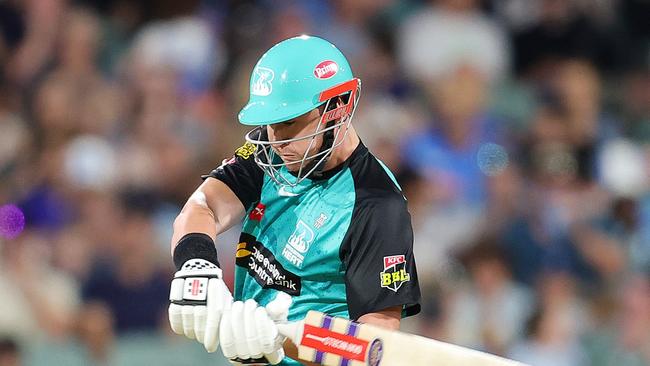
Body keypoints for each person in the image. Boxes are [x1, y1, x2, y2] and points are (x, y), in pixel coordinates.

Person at [168, 35, 421, 365]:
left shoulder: (376, 205)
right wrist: (195, 263)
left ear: (338, 108)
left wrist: (281, 341)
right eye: (270, 124)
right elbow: (206, 206)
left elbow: (375, 347)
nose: (277, 140)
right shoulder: (268, 152)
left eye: (289, 123)